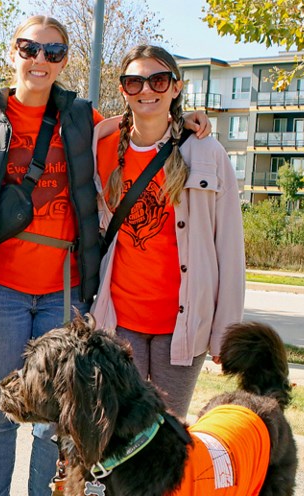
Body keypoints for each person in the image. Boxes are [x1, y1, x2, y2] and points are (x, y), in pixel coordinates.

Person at [0, 20, 213, 496]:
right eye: (30, 48)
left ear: (64, 59)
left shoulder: (83, 118)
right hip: (0, 285)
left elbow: (143, 126)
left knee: (59, 417)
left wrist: (188, 122)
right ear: (13, 53)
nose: (40, 58)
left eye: (53, 50)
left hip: (65, 288)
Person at [92, 44, 245, 419]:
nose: (147, 90)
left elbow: (229, 247)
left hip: (182, 324)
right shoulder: (102, 143)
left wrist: (226, 333)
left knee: (165, 435)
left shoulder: (206, 152)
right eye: (134, 81)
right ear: (123, 89)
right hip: (118, 320)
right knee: (118, 433)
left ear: (176, 87)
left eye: (158, 80)